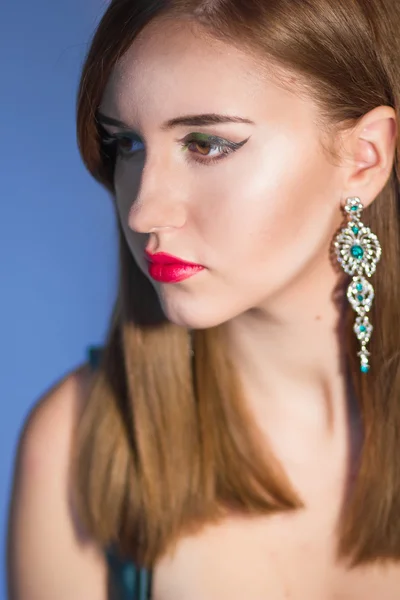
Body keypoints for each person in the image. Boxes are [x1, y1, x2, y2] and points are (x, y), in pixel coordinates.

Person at [7, 0, 400, 598]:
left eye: (207, 144)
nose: (142, 210)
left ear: (364, 156)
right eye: (127, 145)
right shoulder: (75, 444)